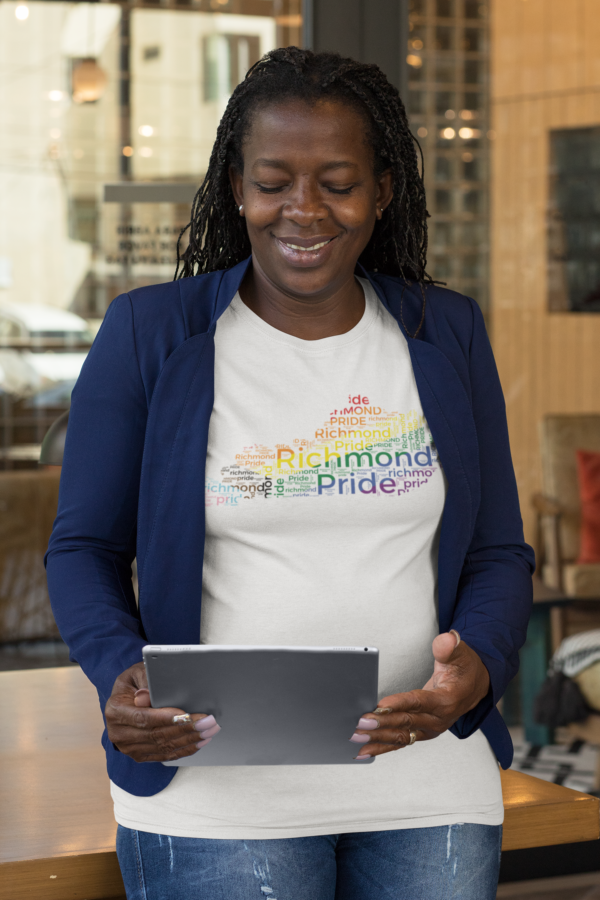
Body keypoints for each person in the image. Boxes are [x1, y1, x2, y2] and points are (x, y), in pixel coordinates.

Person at [46, 47, 534, 899]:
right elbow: (83, 546)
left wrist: (479, 667)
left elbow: (498, 552)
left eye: (337, 182)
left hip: (426, 785)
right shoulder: (150, 336)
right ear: (238, 187)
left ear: (382, 192)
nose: (302, 210)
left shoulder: (444, 332)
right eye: (273, 181)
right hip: (213, 793)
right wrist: (120, 667)